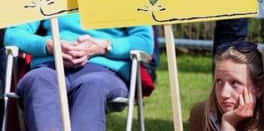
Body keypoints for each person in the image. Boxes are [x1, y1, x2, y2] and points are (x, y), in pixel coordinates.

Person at [3, 12, 153, 131]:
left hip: (104, 70)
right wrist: (49, 46)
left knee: (93, 85)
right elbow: (13, 35)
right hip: (49, 65)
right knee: (39, 80)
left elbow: (144, 41)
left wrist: (103, 46)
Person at [189, 41, 264, 131]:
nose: (224, 94)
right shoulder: (203, 117)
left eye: (235, 83)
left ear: (259, 87)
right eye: (219, 82)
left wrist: (228, 124)